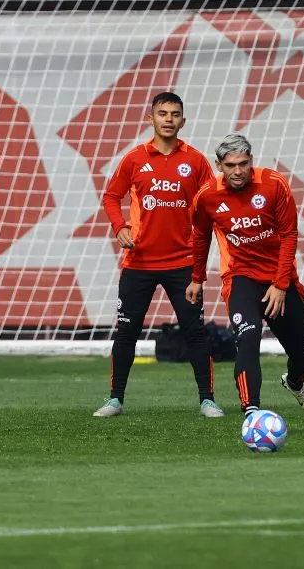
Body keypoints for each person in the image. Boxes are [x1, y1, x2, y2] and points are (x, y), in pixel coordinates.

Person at [93, 92, 223, 418]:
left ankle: (207, 399)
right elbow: (111, 196)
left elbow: (212, 203)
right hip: (138, 263)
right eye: (162, 113)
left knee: (195, 332)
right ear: (150, 119)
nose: (168, 119)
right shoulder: (134, 159)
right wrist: (120, 226)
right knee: (127, 332)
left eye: (174, 114)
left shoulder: (195, 161)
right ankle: (115, 399)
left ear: (183, 120)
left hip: (183, 264)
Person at [186, 133, 304, 418]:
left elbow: (289, 235)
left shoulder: (274, 184)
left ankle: (295, 383)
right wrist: (197, 277)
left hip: (279, 278)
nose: (238, 171)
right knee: (248, 337)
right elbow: (201, 237)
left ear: (251, 161)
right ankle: (252, 411)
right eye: (231, 165)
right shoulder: (207, 195)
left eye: (243, 164)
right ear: (219, 165)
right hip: (240, 277)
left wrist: (281, 284)